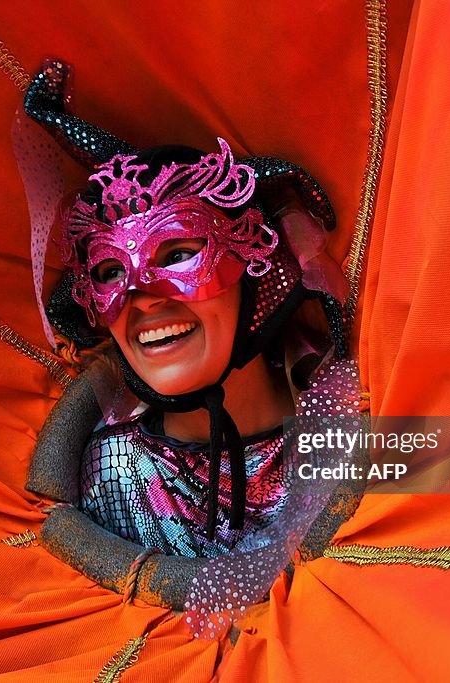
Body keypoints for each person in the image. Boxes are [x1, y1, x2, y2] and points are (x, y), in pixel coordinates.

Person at [19, 60, 364, 619]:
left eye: (177, 255)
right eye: (110, 272)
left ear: (255, 265)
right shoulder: (113, 475)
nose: (142, 296)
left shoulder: (365, 431)